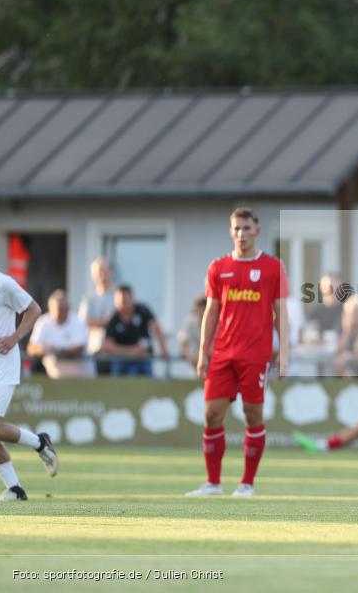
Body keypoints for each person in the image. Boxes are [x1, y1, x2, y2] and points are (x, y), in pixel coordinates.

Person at [186, 207, 289, 497]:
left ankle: (246, 483)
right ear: (230, 232)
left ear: (257, 230)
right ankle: (213, 483)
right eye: (236, 229)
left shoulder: (272, 267)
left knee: (252, 414)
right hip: (222, 353)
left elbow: (281, 313)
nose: (241, 234)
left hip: (256, 354)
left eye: (246, 228)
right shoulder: (218, 268)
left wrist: (285, 352)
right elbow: (211, 312)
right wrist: (203, 352)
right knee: (211, 414)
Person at [0, 270, 57, 500]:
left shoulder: (4, 284)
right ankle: (15, 489)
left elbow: (34, 310)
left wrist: (14, 337)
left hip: (3, 368)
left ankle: (40, 442)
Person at [102, 285, 169, 376]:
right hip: (122, 362)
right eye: (119, 301)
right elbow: (107, 346)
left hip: (143, 360)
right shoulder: (113, 318)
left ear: (132, 298)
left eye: (125, 300)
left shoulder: (143, 311)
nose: (122, 304)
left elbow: (157, 327)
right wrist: (131, 351)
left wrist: (163, 347)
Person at [27, 289, 92, 378]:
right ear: (50, 308)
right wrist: (41, 349)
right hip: (51, 375)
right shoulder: (43, 322)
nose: (59, 313)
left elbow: (79, 349)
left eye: (62, 310)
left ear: (68, 308)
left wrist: (55, 350)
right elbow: (31, 348)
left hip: (79, 376)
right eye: (57, 309)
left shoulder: (78, 322)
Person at [78, 257, 115, 374]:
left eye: (105, 271)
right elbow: (83, 322)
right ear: (93, 275)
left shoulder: (118, 296)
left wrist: (97, 322)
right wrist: (106, 321)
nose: (102, 275)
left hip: (114, 349)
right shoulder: (88, 298)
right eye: (99, 272)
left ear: (111, 272)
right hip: (93, 350)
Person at [333, 294, 358, 376]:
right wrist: (347, 331)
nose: (353, 317)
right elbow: (338, 351)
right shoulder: (342, 325)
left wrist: (350, 357)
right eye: (349, 314)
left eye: (357, 314)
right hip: (348, 371)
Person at [177, 295, 207, 372]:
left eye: (204, 308)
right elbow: (183, 344)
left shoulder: (216, 321)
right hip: (195, 365)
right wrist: (193, 359)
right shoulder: (189, 321)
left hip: (213, 363)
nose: (202, 312)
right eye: (200, 308)